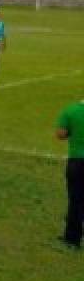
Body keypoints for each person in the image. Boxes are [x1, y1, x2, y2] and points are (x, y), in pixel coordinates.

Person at [56, 96, 84, 249]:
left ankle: (72, 238)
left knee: (76, 199)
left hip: (77, 162)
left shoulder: (70, 110)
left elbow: (61, 134)